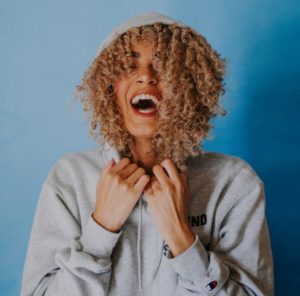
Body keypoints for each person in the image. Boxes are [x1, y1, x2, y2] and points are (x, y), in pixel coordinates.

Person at [21, 12, 274, 296]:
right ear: (109, 87)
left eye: (163, 66)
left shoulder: (234, 184)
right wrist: (100, 231)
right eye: (129, 66)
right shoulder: (69, 178)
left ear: (189, 85)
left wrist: (183, 240)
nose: (145, 76)